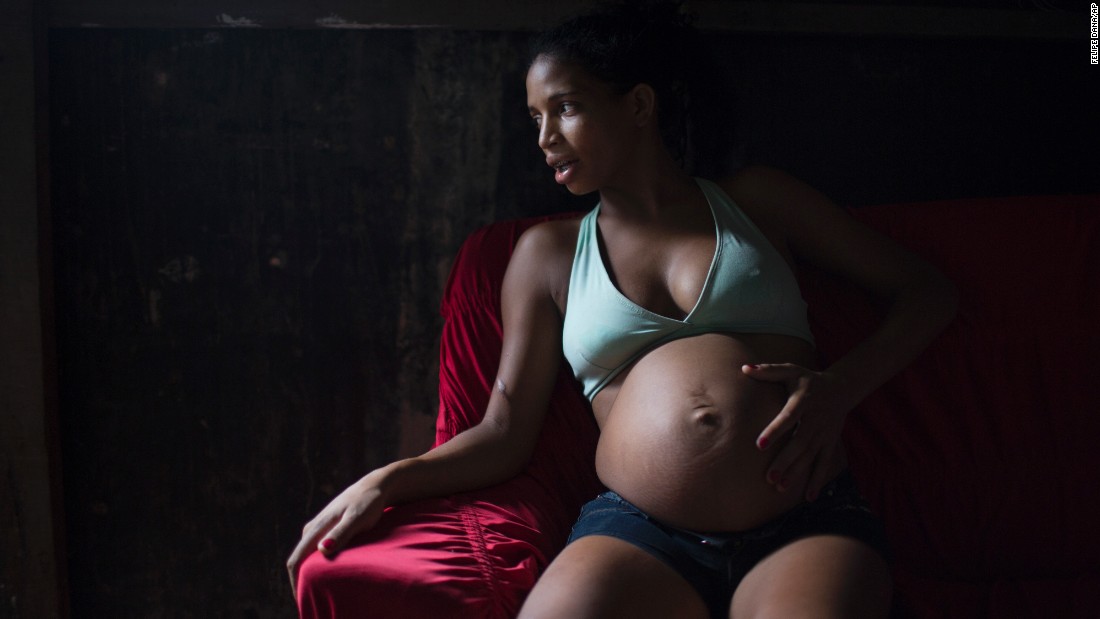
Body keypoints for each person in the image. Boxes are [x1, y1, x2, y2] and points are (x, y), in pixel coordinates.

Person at [287, 2, 958, 617]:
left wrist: (841, 388)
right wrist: (388, 478)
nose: (546, 137)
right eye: (535, 117)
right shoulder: (546, 255)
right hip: (638, 532)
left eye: (567, 108)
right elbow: (503, 429)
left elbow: (926, 291)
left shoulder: (758, 201)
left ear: (639, 104)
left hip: (801, 518)